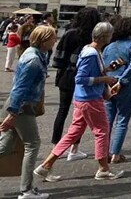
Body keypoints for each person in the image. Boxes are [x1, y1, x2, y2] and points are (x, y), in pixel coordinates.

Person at [35, 22, 124, 181]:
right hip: (90, 99)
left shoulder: (89, 50)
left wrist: (107, 69)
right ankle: (103, 168)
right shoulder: (92, 53)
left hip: (82, 98)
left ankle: (46, 165)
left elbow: (88, 73)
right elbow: (81, 78)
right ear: (105, 37)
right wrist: (104, 78)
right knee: (102, 131)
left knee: (73, 133)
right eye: (110, 35)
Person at [0, 25, 58, 199]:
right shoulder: (33, 59)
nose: (55, 41)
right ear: (44, 40)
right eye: (52, 38)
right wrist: (12, 113)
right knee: (32, 144)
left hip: (19, 105)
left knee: (5, 146)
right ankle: (26, 190)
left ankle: (26, 189)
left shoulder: (35, 54)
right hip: (21, 107)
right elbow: (20, 88)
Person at [50, 6, 101, 162]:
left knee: (62, 110)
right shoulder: (93, 38)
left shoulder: (69, 34)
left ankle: (56, 146)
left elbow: (58, 58)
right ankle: (74, 148)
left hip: (66, 76)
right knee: (80, 116)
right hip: (84, 80)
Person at [102, 16, 131, 163]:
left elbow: (104, 67)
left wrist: (107, 83)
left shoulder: (109, 47)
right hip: (124, 85)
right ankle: (115, 153)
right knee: (122, 119)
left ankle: (104, 151)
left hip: (109, 83)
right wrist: (122, 81)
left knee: (107, 120)